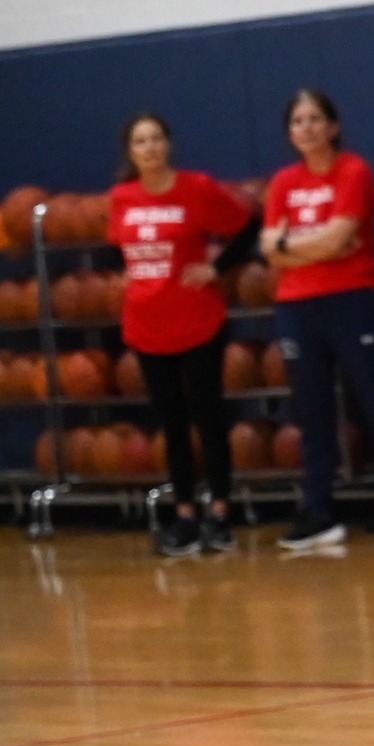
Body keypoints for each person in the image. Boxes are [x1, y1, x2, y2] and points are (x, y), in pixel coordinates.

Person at [260, 89, 374, 550]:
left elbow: (339, 239)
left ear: (332, 127)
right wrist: (309, 245)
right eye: (297, 121)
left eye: (315, 119)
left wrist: (296, 245)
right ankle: (319, 514)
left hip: (351, 299)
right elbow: (270, 248)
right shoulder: (283, 183)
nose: (306, 128)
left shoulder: (354, 171)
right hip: (296, 306)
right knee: (312, 415)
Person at [106, 113, 259, 557]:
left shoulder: (197, 189)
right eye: (140, 141)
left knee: (209, 420)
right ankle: (185, 515)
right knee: (172, 427)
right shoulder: (121, 198)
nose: (150, 147)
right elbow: (126, 250)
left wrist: (216, 268)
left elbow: (248, 225)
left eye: (156, 139)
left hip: (198, 321)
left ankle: (220, 514)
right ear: (131, 152)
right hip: (147, 326)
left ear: (168, 145)